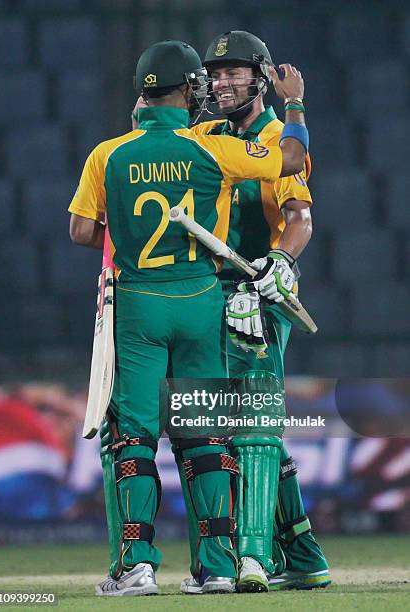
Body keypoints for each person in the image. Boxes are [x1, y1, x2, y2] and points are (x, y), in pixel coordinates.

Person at [69, 39, 308, 596]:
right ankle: (219, 568)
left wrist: (128, 232)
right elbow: (292, 160)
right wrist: (294, 106)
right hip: (203, 303)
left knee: (133, 436)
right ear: (187, 90)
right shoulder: (210, 150)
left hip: (138, 307)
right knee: (207, 436)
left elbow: (82, 231)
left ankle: (137, 568)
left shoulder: (108, 154)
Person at [176, 30, 330, 593]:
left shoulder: (275, 135)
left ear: (261, 77)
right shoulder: (208, 136)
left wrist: (279, 265)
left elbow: (300, 217)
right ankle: (306, 557)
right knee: (237, 425)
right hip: (208, 295)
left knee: (253, 427)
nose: (222, 82)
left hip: (260, 294)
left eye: (235, 72)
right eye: (216, 74)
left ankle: (254, 560)